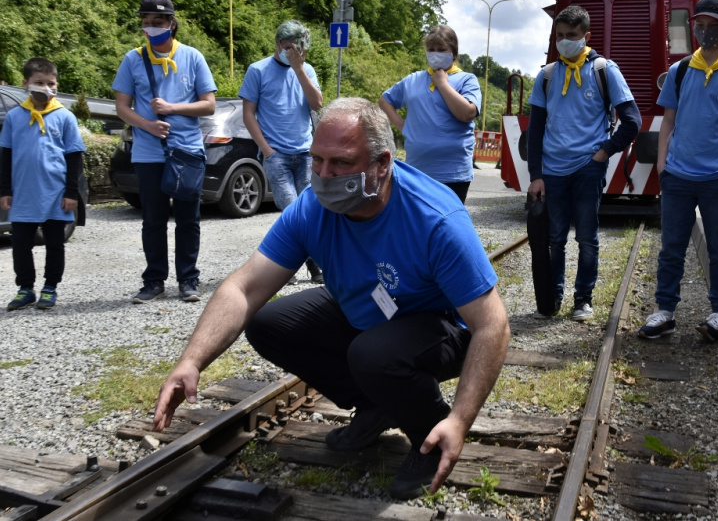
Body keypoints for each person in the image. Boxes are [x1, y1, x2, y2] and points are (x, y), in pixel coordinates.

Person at [153, 97, 510, 500]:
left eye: (341, 162)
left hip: (441, 325)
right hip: (370, 311)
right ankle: (378, 405)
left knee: (372, 354)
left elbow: (492, 325)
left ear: (382, 164)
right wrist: (192, 360)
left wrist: (461, 420)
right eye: (316, 160)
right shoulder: (312, 207)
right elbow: (244, 287)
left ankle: (430, 431)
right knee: (269, 325)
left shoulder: (436, 220)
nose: (324, 175)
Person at [638, 0, 718, 342]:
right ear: (694, 25)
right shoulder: (679, 72)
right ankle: (665, 311)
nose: (705, 32)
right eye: (700, 25)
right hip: (677, 177)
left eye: (713, 26)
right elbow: (667, 122)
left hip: (716, 180)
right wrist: (663, 164)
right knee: (671, 248)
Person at [526, 6, 641, 321]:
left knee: (587, 237)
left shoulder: (604, 70)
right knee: (555, 238)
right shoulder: (547, 75)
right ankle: (553, 300)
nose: (564, 41)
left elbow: (632, 120)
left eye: (571, 36)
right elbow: (535, 130)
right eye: (559, 36)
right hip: (552, 171)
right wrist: (536, 175)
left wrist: (603, 153)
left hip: (587, 168)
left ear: (586, 36)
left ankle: (583, 301)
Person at [112, 0, 217, 304]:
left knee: (188, 218)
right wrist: (147, 125)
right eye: (145, 23)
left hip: (186, 150)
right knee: (153, 219)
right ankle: (154, 280)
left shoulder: (193, 57)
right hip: (148, 152)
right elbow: (122, 107)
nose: (150, 28)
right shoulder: (133, 59)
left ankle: (189, 280)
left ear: (171, 23)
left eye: (157, 22)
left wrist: (171, 108)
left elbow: (209, 105)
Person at [239, 20, 324, 284]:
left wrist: (299, 70)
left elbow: (317, 103)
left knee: (308, 210)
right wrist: (267, 151)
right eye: (288, 49)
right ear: (277, 44)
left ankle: (311, 267)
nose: (293, 54)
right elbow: (248, 114)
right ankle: (297, 266)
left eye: (298, 49)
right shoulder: (258, 70)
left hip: (306, 153)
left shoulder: (306, 69)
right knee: (291, 211)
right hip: (277, 155)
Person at [0, 58, 85, 310]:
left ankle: (50, 287)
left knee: (55, 244)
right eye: (39, 83)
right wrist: (4, 189)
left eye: (51, 83)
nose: (45, 88)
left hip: (55, 194)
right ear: (25, 84)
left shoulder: (65, 116)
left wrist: (72, 192)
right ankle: (25, 288)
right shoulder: (15, 117)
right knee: (21, 245)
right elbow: (6, 154)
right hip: (24, 194)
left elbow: (74, 156)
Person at [379, 25, 481, 203]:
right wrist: (401, 125)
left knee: (447, 225)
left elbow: (467, 113)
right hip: (416, 169)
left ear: (454, 53)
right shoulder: (413, 79)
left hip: (453, 173)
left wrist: (442, 84)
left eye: (441, 50)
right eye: (431, 50)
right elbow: (385, 100)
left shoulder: (467, 79)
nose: (435, 54)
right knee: (416, 223)